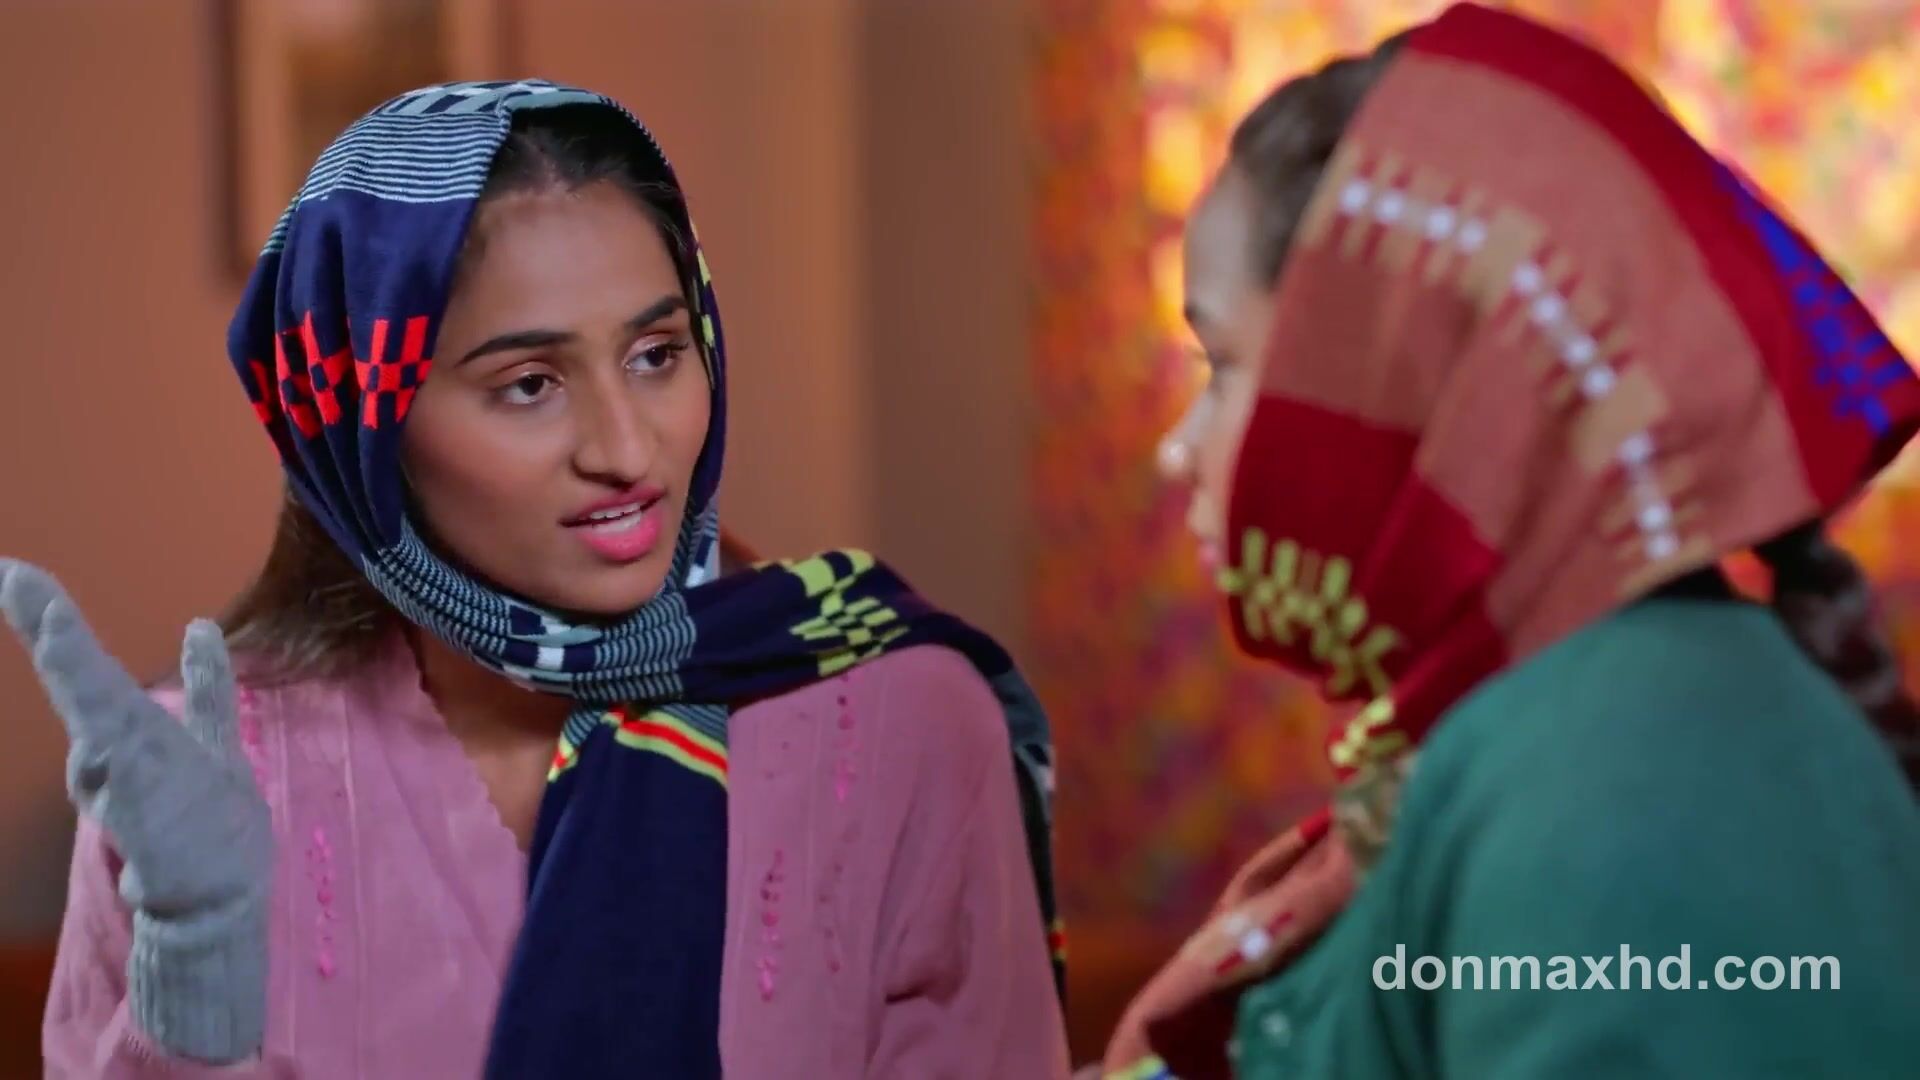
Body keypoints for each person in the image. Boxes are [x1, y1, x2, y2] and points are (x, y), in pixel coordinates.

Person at [7, 80, 1069, 1078]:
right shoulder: (199, 781)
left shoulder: (903, 716)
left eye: (656, 355)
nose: (628, 449)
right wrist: (188, 1000)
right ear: (366, 433)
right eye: (528, 384)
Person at [1101, 5, 1920, 1077]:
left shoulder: (1627, 768)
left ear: (1392, 384)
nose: (1179, 449)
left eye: (1223, 366)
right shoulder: (1567, 720)